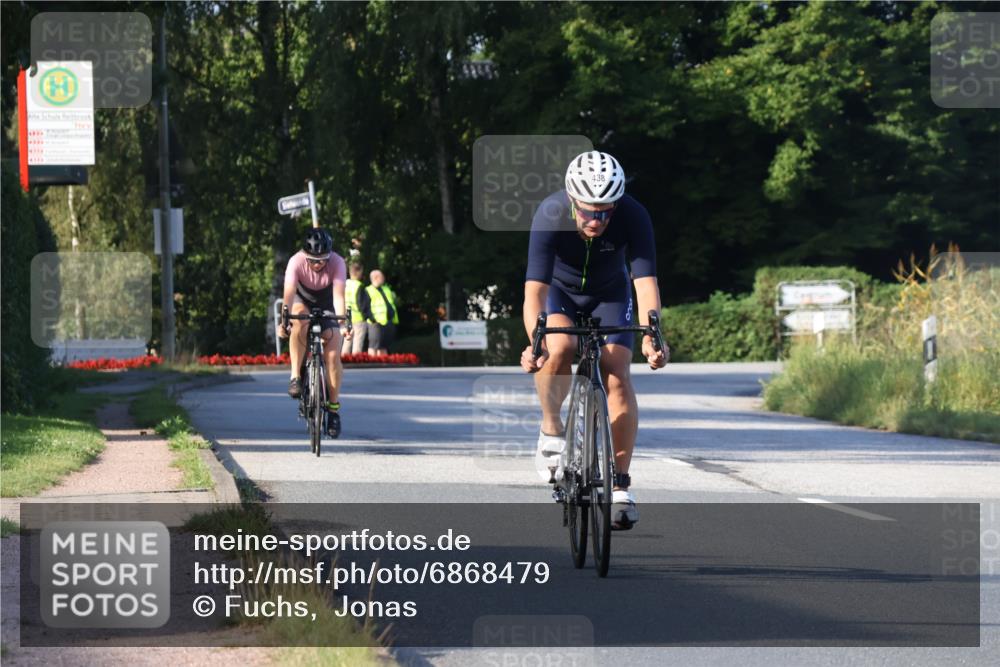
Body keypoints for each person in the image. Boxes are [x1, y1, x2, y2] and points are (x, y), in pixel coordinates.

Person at [520, 150, 669, 530]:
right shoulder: (550, 213)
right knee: (561, 348)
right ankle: (551, 427)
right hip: (560, 292)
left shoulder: (633, 214)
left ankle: (620, 484)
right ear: (572, 201)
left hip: (610, 293)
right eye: (588, 211)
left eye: (606, 211)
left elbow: (645, 285)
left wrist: (654, 337)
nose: (597, 220)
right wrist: (533, 343)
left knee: (617, 370)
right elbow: (534, 292)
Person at [279, 228, 351, 437]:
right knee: (299, 323)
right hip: (302, 300)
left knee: (332, 353)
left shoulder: (337, 262)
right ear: (305, 255)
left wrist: (344, 325)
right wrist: (285, 322)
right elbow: (289, 295)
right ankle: (295, 377)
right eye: (313, 260)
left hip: (327, 302)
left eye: (322, 260)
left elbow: (338, 297)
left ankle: (334, 409)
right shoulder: (295, 261)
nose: (318, 264)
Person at [365, 269, 399, 356]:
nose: (383, 278)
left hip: (388, 321)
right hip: (375, 322)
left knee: (384, 345)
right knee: (374, 344)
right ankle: (371, 364)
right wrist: (372, 319)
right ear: (376, 278)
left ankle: (383, 364)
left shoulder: (386, 289)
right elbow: (365, 307)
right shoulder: (368, 290)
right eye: (381, 277)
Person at [342, 262, 372, 356]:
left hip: (346, 317)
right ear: (359, 272)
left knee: (347, 341)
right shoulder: (359, 286)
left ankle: (344, 360)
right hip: (359, 318)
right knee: (357, 343)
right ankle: (356, 362)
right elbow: (362, 304)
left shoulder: (344, 284)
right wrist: (366, 316)